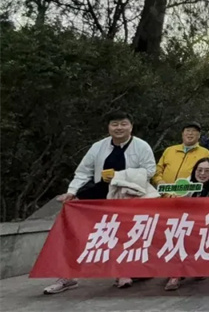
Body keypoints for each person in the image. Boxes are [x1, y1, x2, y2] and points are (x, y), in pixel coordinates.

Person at [45, 111, 156, 295]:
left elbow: (150, 170)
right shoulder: (98, 147)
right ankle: (67, 276)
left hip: (128, 197)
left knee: (125, 235)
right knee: (78, 232)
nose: (119, 128)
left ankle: (124, 271)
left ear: (131, 126)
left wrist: (120, 176)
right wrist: (72, 191)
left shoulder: (141, 146)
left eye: (123, 124)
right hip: (99, 195)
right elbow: (83, 171)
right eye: (114, 124)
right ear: (108, 127)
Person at [164, 157, 209, 291]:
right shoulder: (186, 183)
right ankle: (175, 275)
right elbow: (178, 205)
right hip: (184, 219)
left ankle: (195, 268)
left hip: (205, 221)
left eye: (207, 171)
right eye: (199, 170)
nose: (202, 174)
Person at [151, 122, 209, 188]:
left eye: (194, 131)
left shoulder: (205, 153)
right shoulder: (170, 150)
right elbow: (158, 169)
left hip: (190, 192)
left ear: (199, 135)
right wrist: (159, 181)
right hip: (165, 192)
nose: (190, 133)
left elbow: (207, 174)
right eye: (187, 130)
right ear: (182, 134)